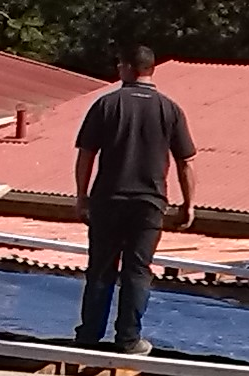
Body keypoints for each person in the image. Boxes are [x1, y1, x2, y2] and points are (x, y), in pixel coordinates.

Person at [72, 47, 197, 355]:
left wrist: (81, 196)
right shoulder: (169, 109)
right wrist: (188, 204)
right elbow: (185, 162)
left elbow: (86, 154)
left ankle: (89, 335)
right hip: (149, 203)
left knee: (101, 268)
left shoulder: (106, 104)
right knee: (137, 269)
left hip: (108, 199)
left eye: (119, 64)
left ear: (128, 68)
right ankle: (128, 339)